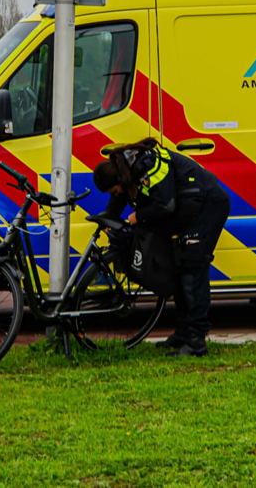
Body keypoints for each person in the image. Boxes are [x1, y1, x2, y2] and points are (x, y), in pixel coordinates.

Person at [93, 138, 230, 357]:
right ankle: (184, 332)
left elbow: (166, 205)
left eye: (115, 190)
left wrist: (137, 216)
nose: (116, 195)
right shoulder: (128, 170)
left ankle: (196, 341)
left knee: (192, 269)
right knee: (178, 267)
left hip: (207, 206)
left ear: (120, 178)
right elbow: (118, 201)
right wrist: (107, 220)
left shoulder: (146, 166)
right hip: (188, 211)